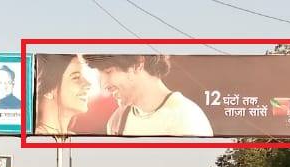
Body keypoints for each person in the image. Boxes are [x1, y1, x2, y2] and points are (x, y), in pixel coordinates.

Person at [83, 54, 213, 137]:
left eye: (108, 71)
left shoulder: (186, 119)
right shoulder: (117, 121)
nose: (103, 85)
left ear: (138, 64)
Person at [34, 54, 91, 136]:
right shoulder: (36, 141)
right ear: (48, 91)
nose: (88, 84)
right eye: (76, 77)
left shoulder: (72, 138)